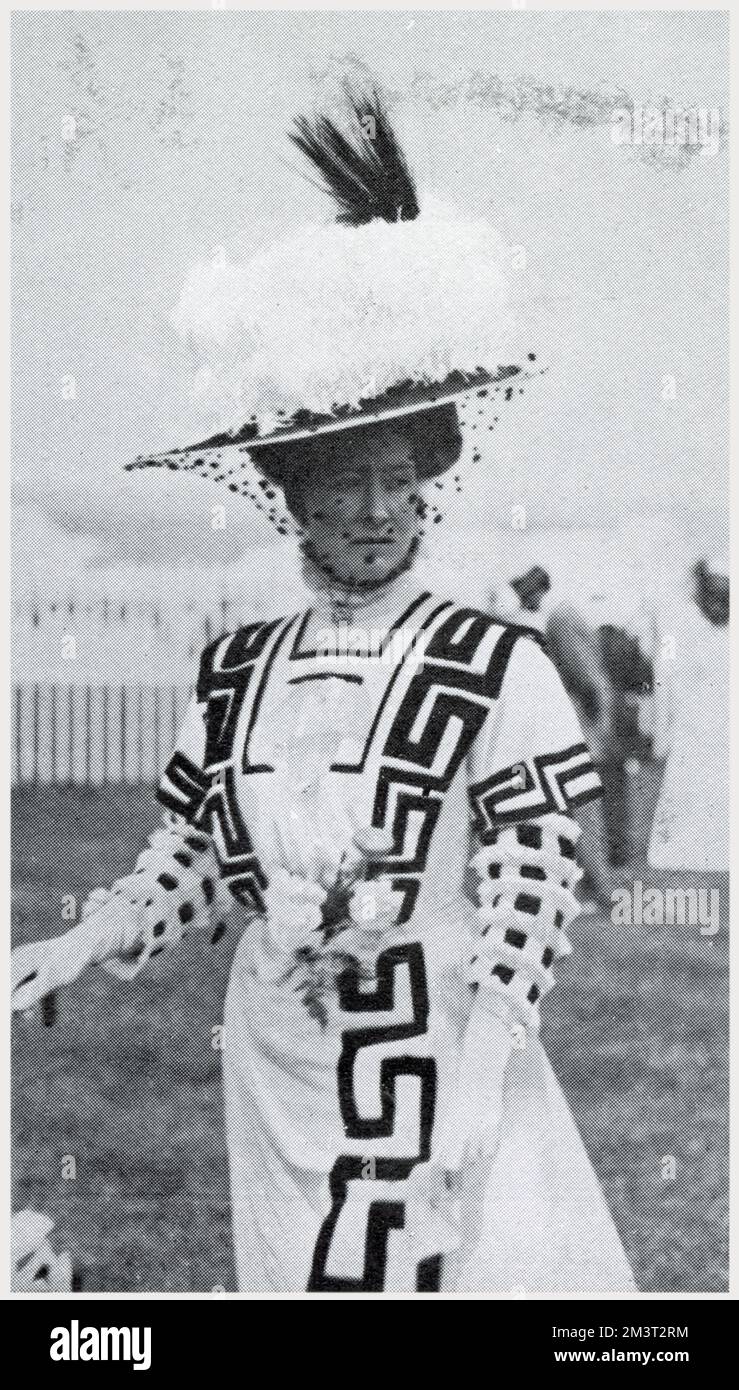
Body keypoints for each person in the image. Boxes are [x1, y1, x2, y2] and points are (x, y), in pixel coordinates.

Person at [12, 90, 635, 1293]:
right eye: (341, 482)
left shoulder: (488, 656)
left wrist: (477, 1065)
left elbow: (531, 878)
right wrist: (91, 935)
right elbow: (196, 856)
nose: (373, 509)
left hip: (443, 1047)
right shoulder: (240, 667)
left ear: (427, 487)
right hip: (281, 1060)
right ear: (290, 496)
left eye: (397, 479)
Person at [648, 554, 729, 872]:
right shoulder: (701, 636)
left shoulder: (691, 634)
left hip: (702, 723)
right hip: (704, 723)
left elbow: (665, 674)